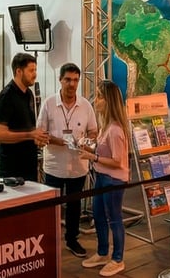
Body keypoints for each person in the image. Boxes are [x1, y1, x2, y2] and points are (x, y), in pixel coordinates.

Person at [35, 64, 95, 257]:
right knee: (52, 207)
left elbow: (94, 130)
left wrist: (87, 141)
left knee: (74, 205)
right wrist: (58, 141)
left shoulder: (85, 105)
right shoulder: (49, 103)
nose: (72, 84)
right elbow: (40, 132)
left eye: (76, 80)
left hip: (78, 166)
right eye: (68, 79)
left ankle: (72, 240)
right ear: (60, 80)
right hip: (54, 166)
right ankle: (49, 241)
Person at [78, 80, 131, 276]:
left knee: (114, 218)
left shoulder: (116, 130)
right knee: (98, 214)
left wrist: (93, 156)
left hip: (113, 179)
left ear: (108, 101)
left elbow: (118, 161)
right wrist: (88, 147)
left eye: (99, 96)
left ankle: (118, 258)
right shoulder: (106, 126)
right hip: (101, 176)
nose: (96, 100)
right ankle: (102, 252)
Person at [0, 53, 45, 180]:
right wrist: (30, 135)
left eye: (35, 70)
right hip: (11, 168)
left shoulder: (28, 94)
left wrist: (38, 137)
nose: (35, 74)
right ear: (19, 71)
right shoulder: (7, 96)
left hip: (28, 164)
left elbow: (27, 126)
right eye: (31, 70)